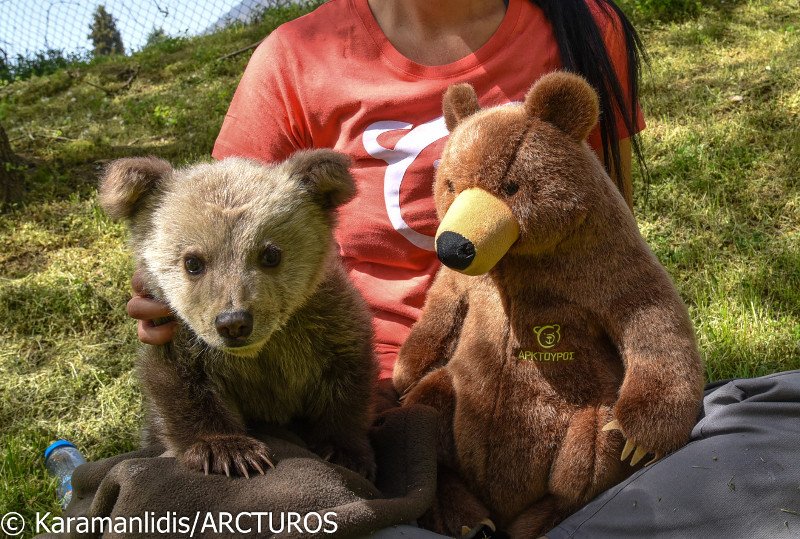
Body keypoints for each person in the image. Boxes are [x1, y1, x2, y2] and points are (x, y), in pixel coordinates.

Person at [126, 1, 800, 538]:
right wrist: (173, 300)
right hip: (374, 417)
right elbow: (210, 228)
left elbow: (615, 243)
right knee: (229, 499)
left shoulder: (587, 25)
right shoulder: (295, 61)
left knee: (780, 425)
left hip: (571, 393)